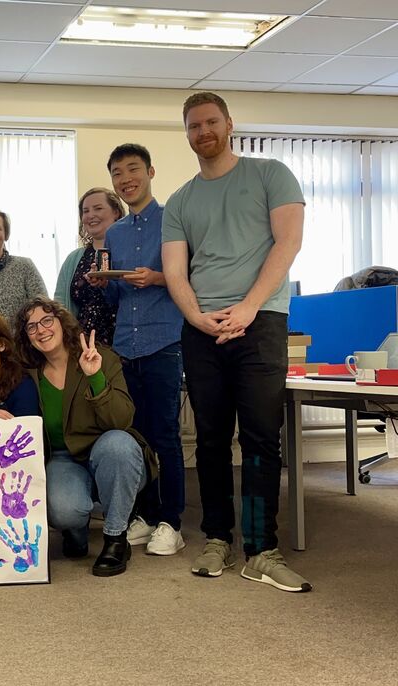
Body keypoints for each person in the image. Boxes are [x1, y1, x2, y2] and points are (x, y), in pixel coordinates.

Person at [162, 91, 310, 592]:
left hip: (261, 320)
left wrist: (248, 306)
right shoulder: (180, 200)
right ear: (186, 134)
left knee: (261, 438)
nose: (202, 132)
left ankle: (261, 549)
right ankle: (217, 538)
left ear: (229, 124)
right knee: (208, 438)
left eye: (210, 122)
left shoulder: (271, 174)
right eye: (193, 126)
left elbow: (288, 243)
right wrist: (198, 318)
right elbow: (175, 271)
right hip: (202, 330)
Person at [88, 143, 186, 557]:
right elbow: (115, 297)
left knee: (165, 433)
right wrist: (104, 282)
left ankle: (172, 522)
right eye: (117, 173)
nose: (126, 179)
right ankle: (144, 515)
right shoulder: (115, 232)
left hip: (165, 340)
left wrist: (160, 277)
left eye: (133, 170)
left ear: (150, 171)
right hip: (125, 347)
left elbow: (191, 278)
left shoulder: (175, 221)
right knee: (134, 435)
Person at [14, 297, 154, 577]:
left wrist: (95, 378)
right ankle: (75, 529)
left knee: (118, 446)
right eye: (31, 327)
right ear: (27, 338)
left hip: (108, 450)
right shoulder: (26, 373)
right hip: (63, 458)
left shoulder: (100, 357)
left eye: (46, 320)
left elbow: (121, 421)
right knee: (64, 510)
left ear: (61, 322)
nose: (41, 330)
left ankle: (116, 538)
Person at [54, 187, 125, 346]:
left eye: (98, 208)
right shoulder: (74, 259)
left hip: (124, 347)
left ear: (116, 212)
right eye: (85, 211)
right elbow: (60, 307)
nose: (90, 215)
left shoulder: (129, 252)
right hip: (83, 348)